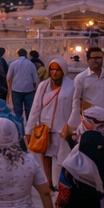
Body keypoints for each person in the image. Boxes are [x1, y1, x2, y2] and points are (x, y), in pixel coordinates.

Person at [26, 57, 73, 188]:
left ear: (63, 70)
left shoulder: (72, 86)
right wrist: (29, 129)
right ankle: (49, 183)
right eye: (52, 69)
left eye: (58, 70)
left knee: (62, 158)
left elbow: (75, 108)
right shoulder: (43, 85)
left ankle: (60, 184)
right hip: (45, 128)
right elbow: (35, 107)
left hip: (62, 129)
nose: (54, 72)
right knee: (45, 155)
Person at [65, 47, 104, 141]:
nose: (98, 61)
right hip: (89, 124)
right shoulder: (81, 78)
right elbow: (76, 103)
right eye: (94, 58)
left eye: (100, 58)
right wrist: (72, 124)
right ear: (88, 60)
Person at [7, 49, 38, 122]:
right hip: (29, 90)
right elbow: (36, 79)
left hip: (16, 90)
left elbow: (8, 77)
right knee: (29, 111)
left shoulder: (13, 64)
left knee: (18, 112)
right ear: (26, 54)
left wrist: (9, 88)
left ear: (18, 54)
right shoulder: (31, 64)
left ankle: (19, 129)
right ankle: (29, 130)